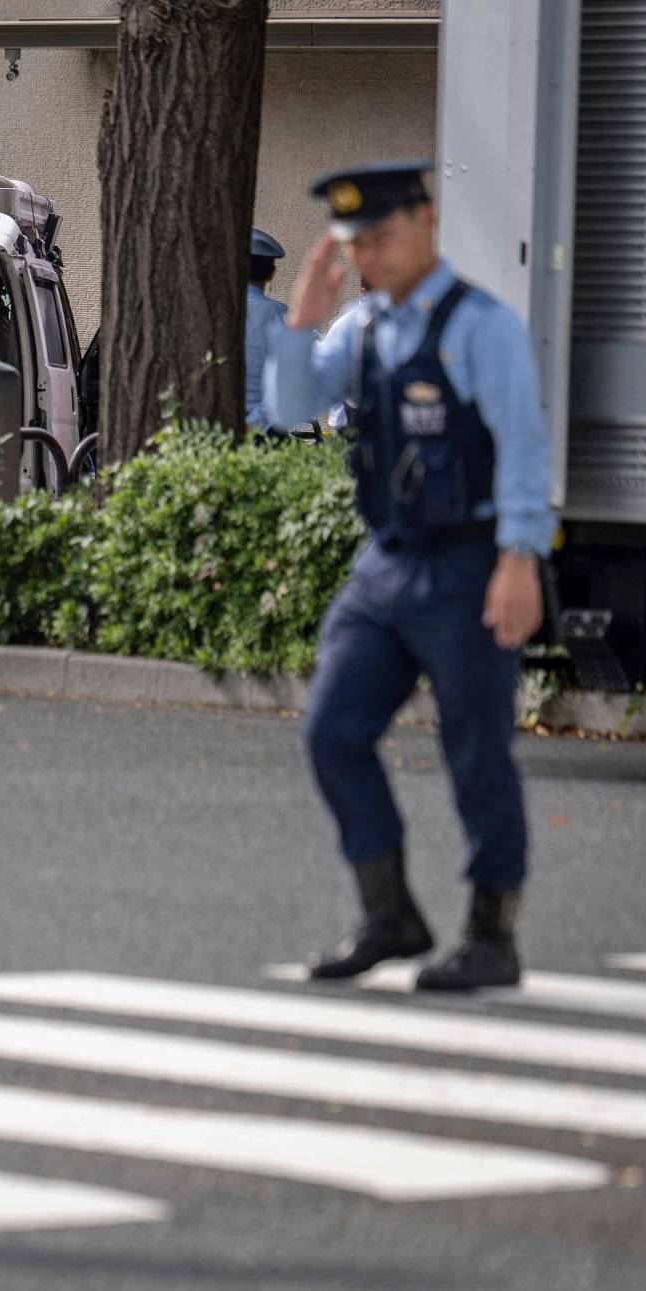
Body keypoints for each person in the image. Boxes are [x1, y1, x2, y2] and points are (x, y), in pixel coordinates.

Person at [263, 161, 552, 993]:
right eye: (357, 244)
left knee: (476, 754)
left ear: (427, 223)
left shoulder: (479, 326)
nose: (370, 258)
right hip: (387, 566)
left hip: (470, 564)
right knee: (332, 730)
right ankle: (390, 915)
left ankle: (491, 935)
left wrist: (519, 561)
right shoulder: (362, 327)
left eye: (383, 238)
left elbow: (526, 450)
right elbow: (288, 411)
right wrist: (299, 327)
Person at [242, 228, 289, 432]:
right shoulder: (284, 316)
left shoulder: (214, 312)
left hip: (215, 425)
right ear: (272, 274)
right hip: (267, 426)